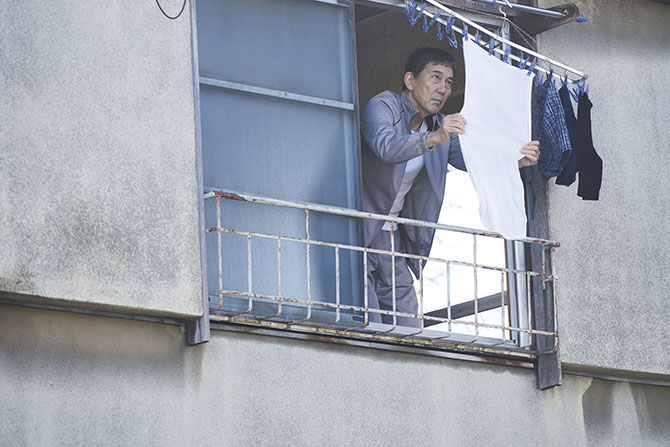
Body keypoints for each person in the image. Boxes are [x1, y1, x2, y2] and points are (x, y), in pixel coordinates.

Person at [360, 47, 540, 327]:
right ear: (410, 80)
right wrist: (435, 137)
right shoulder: (384, 106)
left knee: (409, 326)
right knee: (367, 322)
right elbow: (386, 146)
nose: (443, 88)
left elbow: (475, 158)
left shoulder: (436, 126)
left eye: (449, 82)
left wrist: (517, 160)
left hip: (392, 236)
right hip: (357, 232)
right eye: (435, 77)